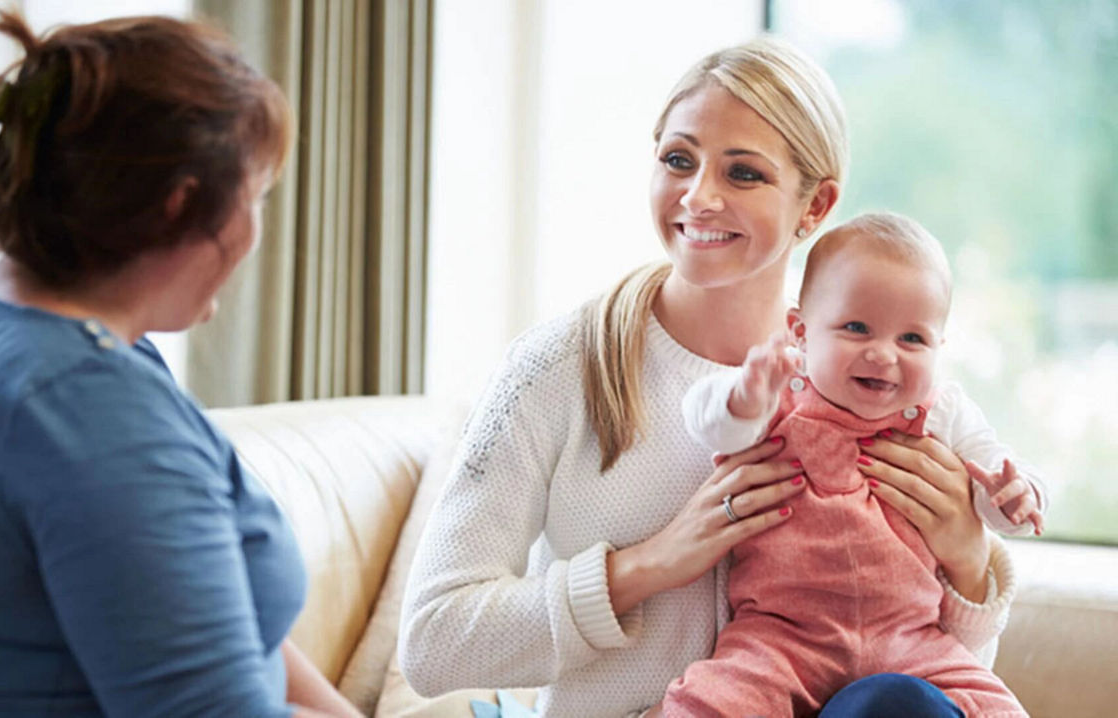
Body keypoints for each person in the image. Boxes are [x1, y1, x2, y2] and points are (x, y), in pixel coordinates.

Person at [399, 37, 1018, 718]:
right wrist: (649, 566)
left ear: (816, 206)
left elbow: (926, 681)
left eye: (743, 174)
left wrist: (966, 563)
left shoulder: (871, 378)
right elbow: (431, 643)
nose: (699, 197)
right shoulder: (555, 370)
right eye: (678, 160)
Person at [0, 11, 357, 718]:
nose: (257, 233)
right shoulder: (84, 407)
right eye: (256, 197)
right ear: (182, 205)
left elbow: (211, 625)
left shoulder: (3, 328)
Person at [666, 212, 1043, 716]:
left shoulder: (943, 412)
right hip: (783, 638)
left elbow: (992, 477)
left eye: (912, 339)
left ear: (939, 348)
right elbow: (708, 422)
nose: (883, 354)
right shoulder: (779, 394)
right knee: (711, 702)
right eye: (857, 328)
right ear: (800, 331)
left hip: (911, 641)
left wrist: (1016, 495)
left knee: (997, 708)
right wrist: (744, 395)